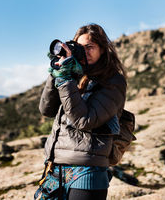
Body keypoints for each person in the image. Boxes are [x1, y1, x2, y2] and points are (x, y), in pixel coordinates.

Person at [35, 24, 127, 200]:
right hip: (55, 166)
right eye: (80, 47)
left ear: (103, 50)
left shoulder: (113, 81)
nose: (84, 52)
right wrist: (56, 73)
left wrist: (64, 80)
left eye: (90, 47)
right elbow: (46, 109)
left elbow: (84, 120)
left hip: (88, 171)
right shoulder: (73, 73)